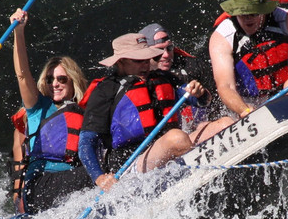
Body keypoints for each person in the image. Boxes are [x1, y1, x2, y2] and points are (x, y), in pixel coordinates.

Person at [78, 33, 233, 192]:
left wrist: (200, 94)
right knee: (177, 138)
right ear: (121, 62)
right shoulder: (105, 91)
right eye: (138, 61)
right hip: (132, 165)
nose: (145, 65)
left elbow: (202, 102)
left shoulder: (164, 77)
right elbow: (86, 142)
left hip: (174, 147)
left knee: (225, 124)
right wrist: (99, 177)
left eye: (147, 59)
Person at [8, 8, 93, 213]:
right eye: (50, 79)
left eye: (61, 79)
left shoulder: (86, 112)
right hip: (41, 184)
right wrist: (18, 33)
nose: (55, 84)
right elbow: (22, 74)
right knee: (96, 172)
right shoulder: (38, 107)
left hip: (71, 181)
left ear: (73, 81)